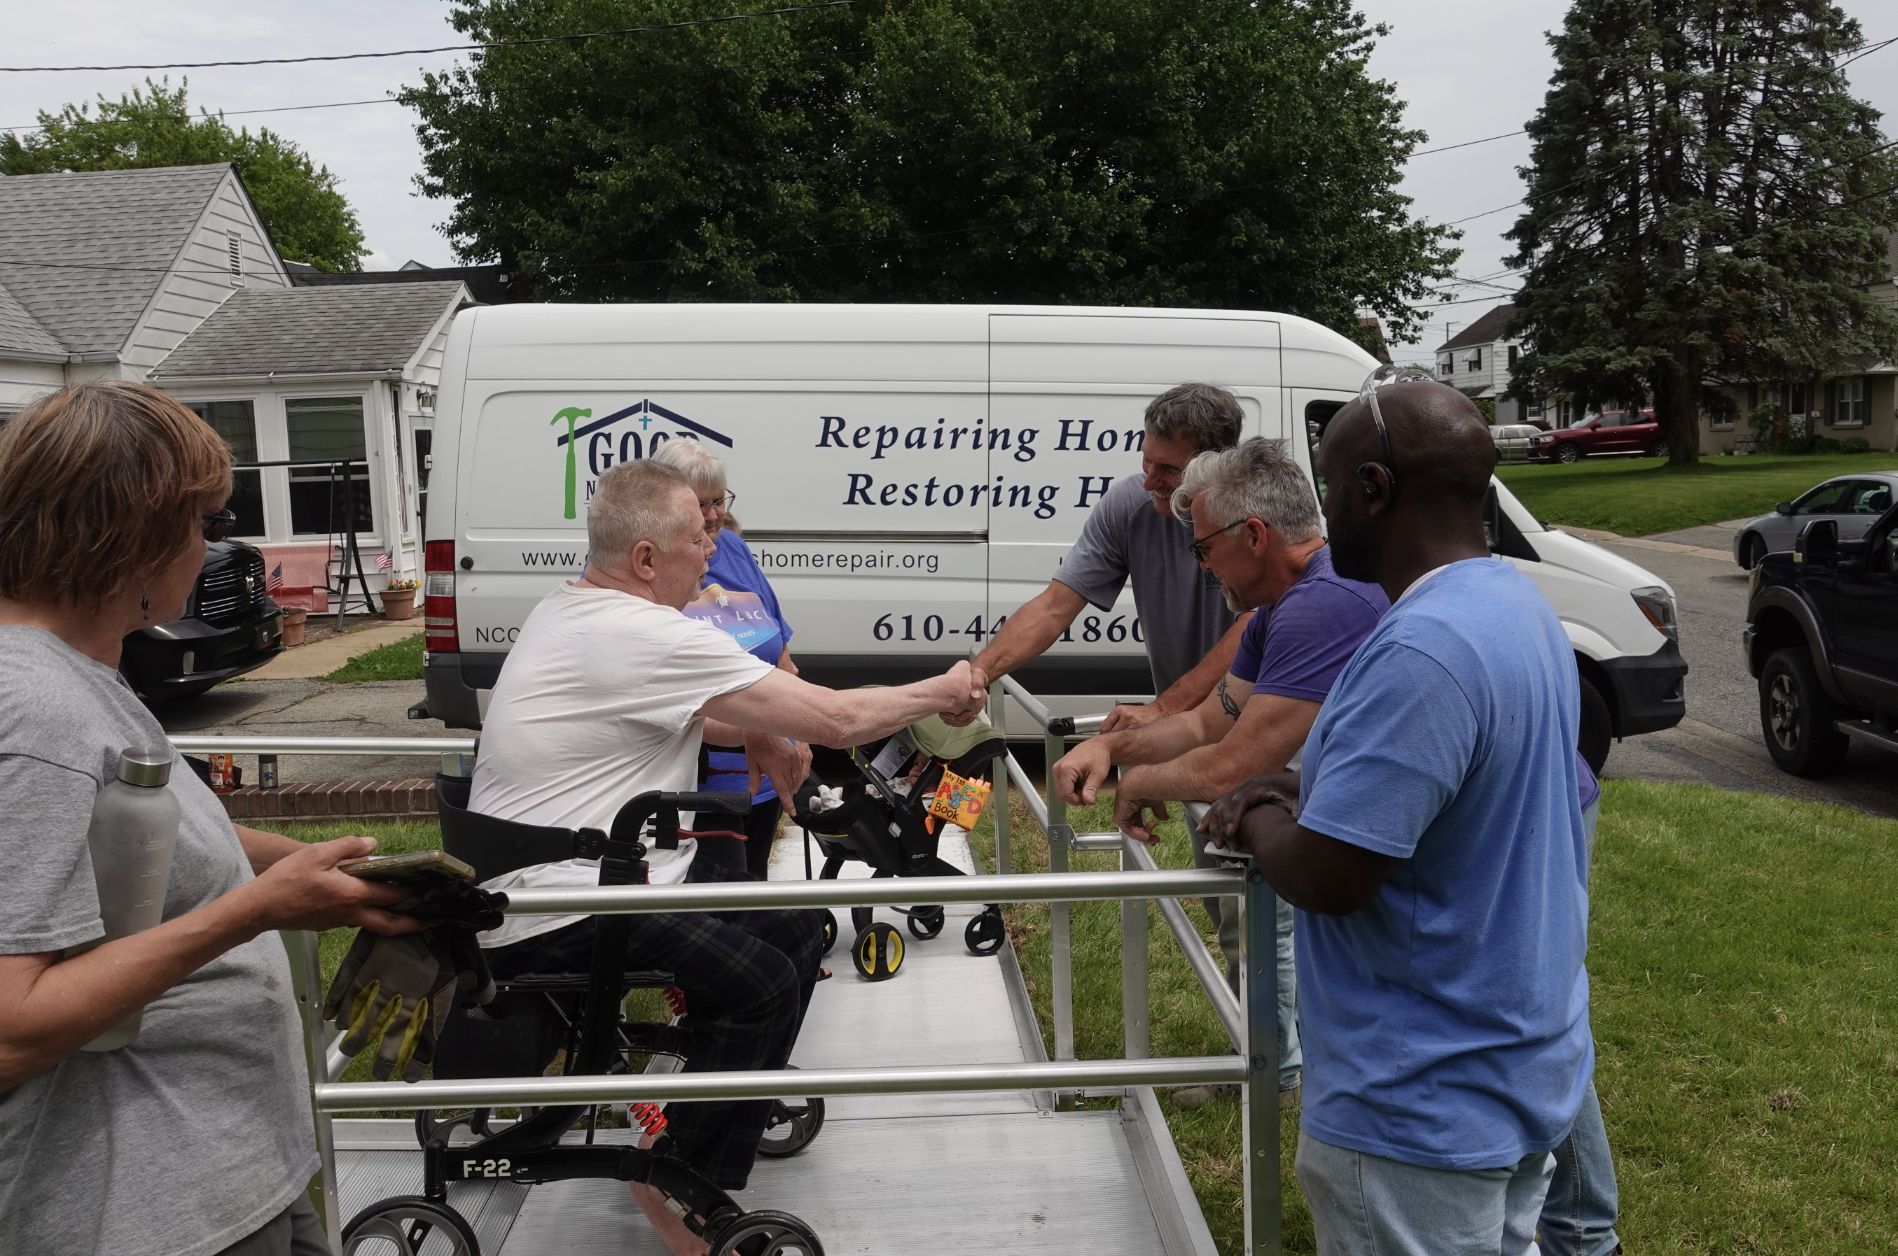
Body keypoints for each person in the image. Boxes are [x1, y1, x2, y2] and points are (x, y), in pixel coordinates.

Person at [468, 458, 983, 1256]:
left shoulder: (574, 609)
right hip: (565, 904)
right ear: (646, 558)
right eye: (698, 537)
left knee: (798, 934)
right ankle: (677, 1173)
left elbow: (696, 715)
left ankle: (697, 1115)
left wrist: (762, 732)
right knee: (764, 982)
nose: (712, 549)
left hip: (576, 879)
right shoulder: (638, 631)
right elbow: (839, 719)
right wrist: (944, 688)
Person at [0, 382, 420, 1256]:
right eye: (200, 524)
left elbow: (153, 845)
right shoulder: (33, 712)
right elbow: (12, 1028)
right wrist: (258, 912)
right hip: (140, 1207)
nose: (213, 547)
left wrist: (311, 875)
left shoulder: (77, 675)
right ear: (132, 539)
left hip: (221, 1173)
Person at [1200, 373, 1592, 1254]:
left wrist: (1255, 816)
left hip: (1420, 1106)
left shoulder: (1420, 646)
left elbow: (1332, 878)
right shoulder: (1518, 607)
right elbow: (1469, 794)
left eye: (1332, 486)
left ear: (1373, 489)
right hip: (1519, 1070)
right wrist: (1314, 790)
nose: (1325, 513)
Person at [1050, 437, 1390, 1108]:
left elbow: (1233, 763)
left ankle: (1283, 1078)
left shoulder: (1326, 604)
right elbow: (1207, 722)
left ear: (1255, 534)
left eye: (1203, 549)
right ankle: (1285, 1068)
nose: (1203, 568)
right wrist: (1111, 751)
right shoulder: (1278, 610)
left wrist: (1136, 785)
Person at [956, 381, 1254, 981]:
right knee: (1233, 911)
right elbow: (1053, 606)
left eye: (1167, 469)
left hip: (1273, 734)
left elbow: (1258, 624)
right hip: (1198, 733)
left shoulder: (1260, 511)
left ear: (1216, 465)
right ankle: (1260, 1065)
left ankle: (1285, 1070)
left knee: (1269, 922)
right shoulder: (1132, 506)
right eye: (1145, 461)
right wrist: (977, 674)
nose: (1150, 481)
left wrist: (1164, 708)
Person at [648, 439, 809, 881]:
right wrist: (758, 731)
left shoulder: (734, 549)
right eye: (701, 504)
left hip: (762, 775)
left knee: (754, 890)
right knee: (720, 915)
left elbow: (780, 650)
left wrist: (796, 733)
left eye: (719, 500)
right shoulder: (651, 569)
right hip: (697, 788)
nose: (714, 515)